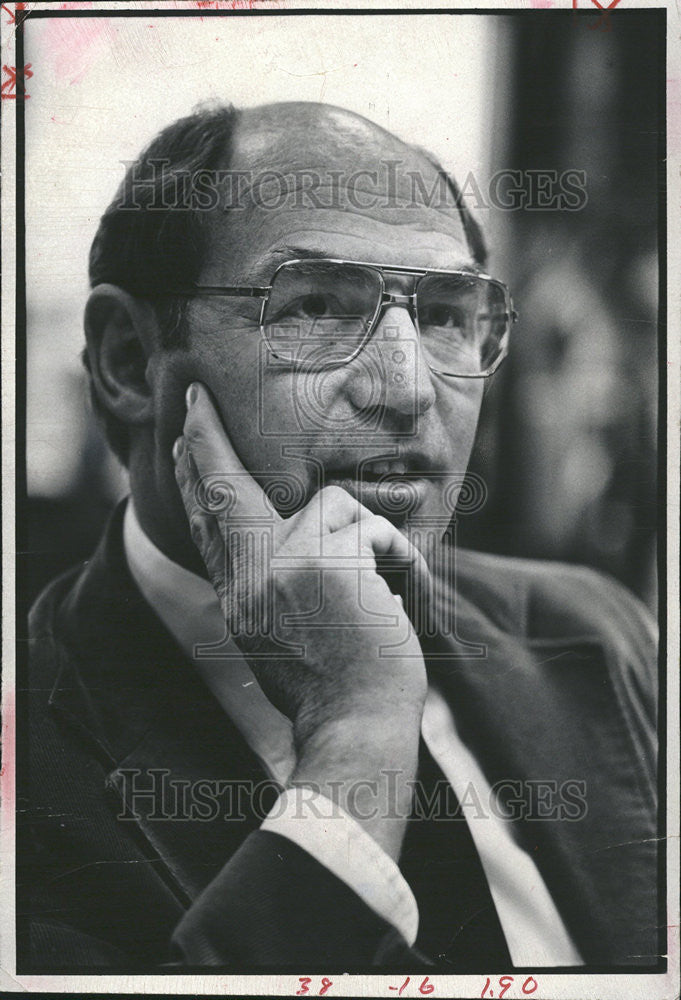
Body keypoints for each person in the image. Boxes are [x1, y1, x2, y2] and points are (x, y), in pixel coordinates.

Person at [20, 101, 659, 971]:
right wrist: (358, 731)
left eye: (444, 316)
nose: (405, 390)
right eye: (315, 306)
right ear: (129, 360)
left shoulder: (602, 635)